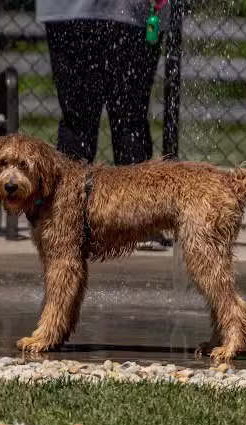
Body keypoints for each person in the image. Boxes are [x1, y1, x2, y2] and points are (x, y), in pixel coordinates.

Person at [36, 0, 172, 250]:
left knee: (88, 120)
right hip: (121, 12)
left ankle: (70, 220)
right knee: (126, 119)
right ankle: (131, 223)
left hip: (94, 12)